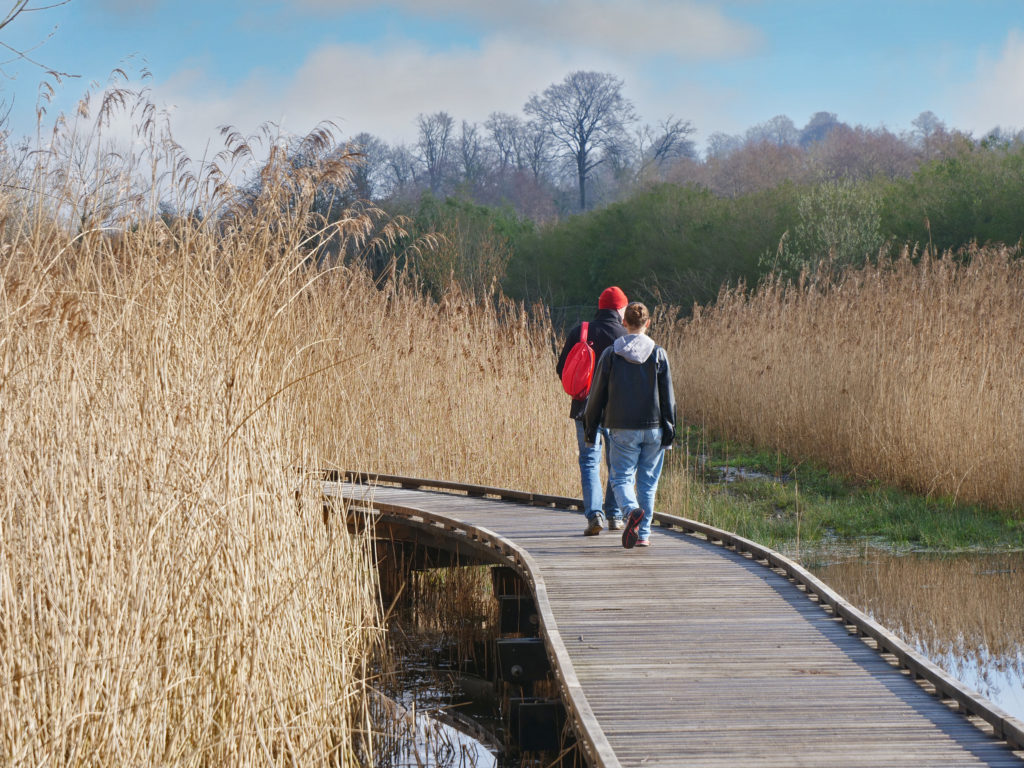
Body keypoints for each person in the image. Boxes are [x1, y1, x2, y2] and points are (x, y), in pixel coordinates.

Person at [584, 302, 676, 549]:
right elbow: (668, 396)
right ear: (648, 323)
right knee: (648, 483)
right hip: (655, 428)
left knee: (621, 477)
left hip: (622, 427)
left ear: (624, 323)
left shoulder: (612, 354)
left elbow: (597, 394)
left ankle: (631, 511)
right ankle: (643, 535)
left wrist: (590, 426)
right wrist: (670, 429)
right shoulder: (658, 353)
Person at [556, 286, 628, 536]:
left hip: (585, 409)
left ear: (600, 307)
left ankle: (594, 515)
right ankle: (615, 515)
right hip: (616, 411)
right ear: (620, 308)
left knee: (589, 461)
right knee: (616, 463)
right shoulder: (625, 335)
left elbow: (561, 369)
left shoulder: (581, 331)